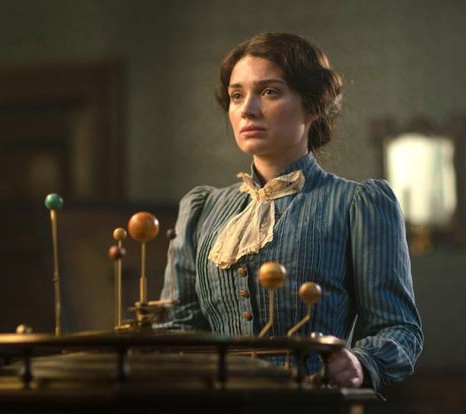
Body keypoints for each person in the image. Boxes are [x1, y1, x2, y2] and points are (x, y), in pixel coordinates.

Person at [160, 32, 423, 390]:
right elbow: (178, 329)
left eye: (269, 92)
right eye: (237, 95)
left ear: (313, 106)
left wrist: (360, 363)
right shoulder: (201, 209)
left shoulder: (358, 205)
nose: (247, 109)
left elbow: (399, 328)